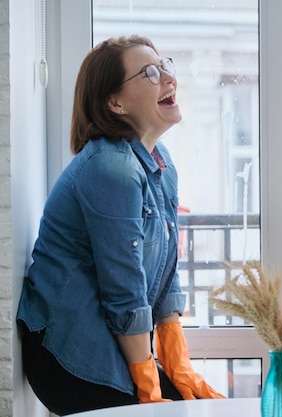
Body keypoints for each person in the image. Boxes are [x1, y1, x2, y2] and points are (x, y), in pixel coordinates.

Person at [17, 35, 225, 416]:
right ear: (115, 103)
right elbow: (124, 287)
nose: (167, 78)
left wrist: (179, 368)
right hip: (68, 354)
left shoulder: (160, 162)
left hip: (113, 342)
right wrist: (149, 384)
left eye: (165, 66)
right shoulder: (110, 168)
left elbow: (166, 274)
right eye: (149, 72)